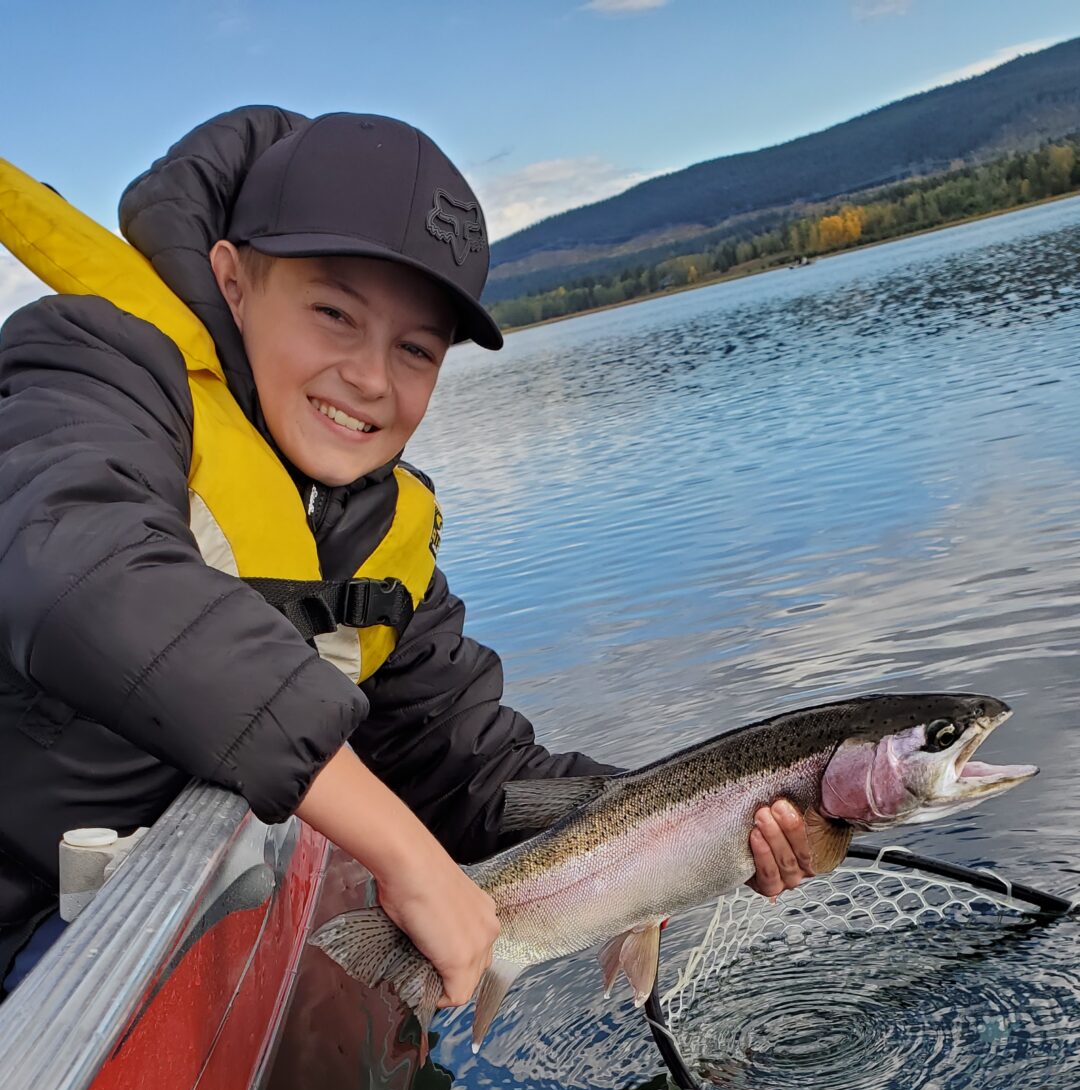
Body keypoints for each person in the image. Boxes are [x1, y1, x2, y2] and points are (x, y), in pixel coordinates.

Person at [0, 107, 812, 1000]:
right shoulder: (91, 368)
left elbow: (466, 769)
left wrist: (708, 827)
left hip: (140, 937)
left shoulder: (377, 535)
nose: (371, 378)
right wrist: (398, 848)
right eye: (333, 313)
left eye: (416, 349)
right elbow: (76, 572)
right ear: (232, 282)